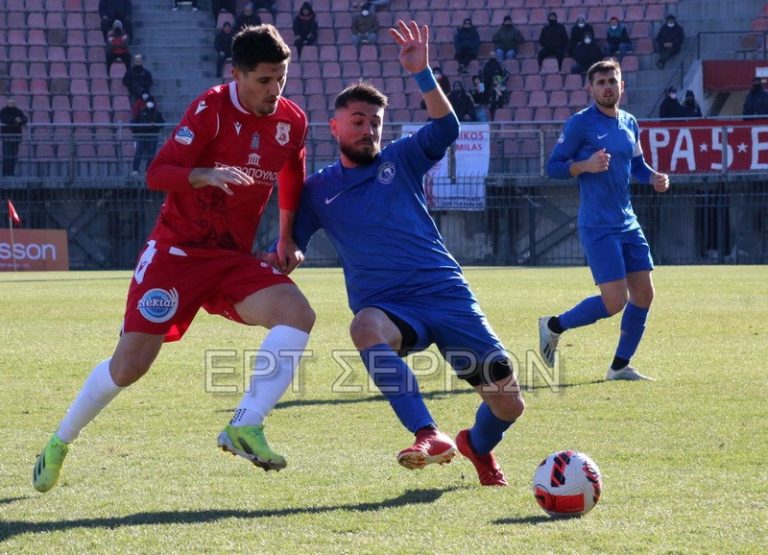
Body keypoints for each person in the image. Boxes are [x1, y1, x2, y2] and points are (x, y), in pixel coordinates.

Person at [32, 24, 315, 493]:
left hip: (230, 257)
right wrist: (203, 174)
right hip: (177, 253)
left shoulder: (292, 119)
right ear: (237, 74)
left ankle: (245, 424)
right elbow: (157, 173)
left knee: (298, 314)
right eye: (264, 80)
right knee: (130, 367)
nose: (274, 90)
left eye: (281, 78)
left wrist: (286, 236)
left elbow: (292, 169)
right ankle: (60, 441)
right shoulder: (211, 109)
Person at [278, 20, 524, 486]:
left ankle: (476, 444)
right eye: (358, 121)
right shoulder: (318, 191)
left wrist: (422, 72)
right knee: (363, 326)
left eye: (375, 122)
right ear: (335, 126)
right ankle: (428, 433)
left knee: (508, 402)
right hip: (389, 306)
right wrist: (287, 250)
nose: (369, 129)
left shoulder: (401, 158)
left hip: (446, 294)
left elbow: (447, 126)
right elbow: (292, 243)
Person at [542, 59, 670, 381]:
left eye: (612, 81)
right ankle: (553, 325)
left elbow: (637, 166)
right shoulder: (580, 124)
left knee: (645, 295)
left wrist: (654, 177)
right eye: (600, 82)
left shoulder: (629, 122)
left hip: (627, 222)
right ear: (590, 88)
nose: (607, 87)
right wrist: (585, 165)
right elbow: (553, 167)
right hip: (598, 226)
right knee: (615, 302)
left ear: (622, 86)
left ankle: (619, 367)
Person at [130, 100, 165, 176]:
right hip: (141, 136)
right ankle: (135, 170)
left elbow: (162, 123)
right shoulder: (141, 112)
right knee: (138, 153)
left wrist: (155, 124)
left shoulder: (157, 113)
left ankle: (148, 170)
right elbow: (135, 122)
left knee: (151, 154)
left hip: (152, 136)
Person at [0, 98, 28, 176]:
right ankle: (5, 173)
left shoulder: (18, 111)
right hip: (6, 137)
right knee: (7, 156)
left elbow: (25, 119)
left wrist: (20, 120)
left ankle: (11, 172)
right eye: (10, 103)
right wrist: (15, 120)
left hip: (16, 137)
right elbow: (4, 119)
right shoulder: (3, 110)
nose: (12, 104)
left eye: (13, 103)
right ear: (7, 103)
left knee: (14, 156)